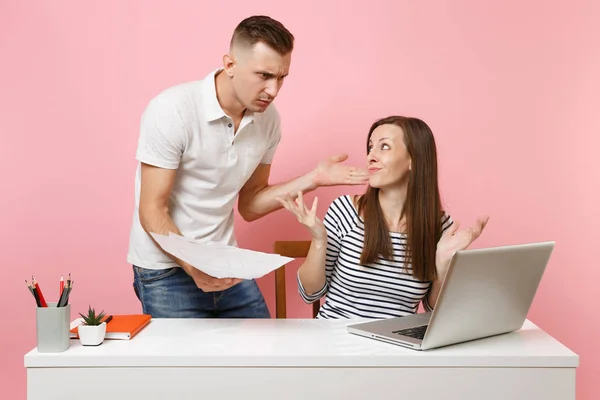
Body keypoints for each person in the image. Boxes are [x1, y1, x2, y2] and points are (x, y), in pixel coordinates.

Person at [127, 15, 369, 319]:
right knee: (186, 368)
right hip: (166, 267)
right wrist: (194, 267)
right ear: (230, 65)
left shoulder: (269, 120)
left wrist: (314, 178)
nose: (274, 90)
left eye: (281, 77)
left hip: (224, 259)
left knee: (264, 359)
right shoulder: (172, 110)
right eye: (264, 75)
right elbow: (152, 209)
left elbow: (251, 204)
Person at [276, 116, 489, 319]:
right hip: (336, 341)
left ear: (413, 160)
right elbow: (310, 294)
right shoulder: (345, 211)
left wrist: (442, 265)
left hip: (395, 347)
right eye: (370, 147)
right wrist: (319, 240)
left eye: (384, 146)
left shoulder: (440, 228)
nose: (371, 156)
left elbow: (433, 309)